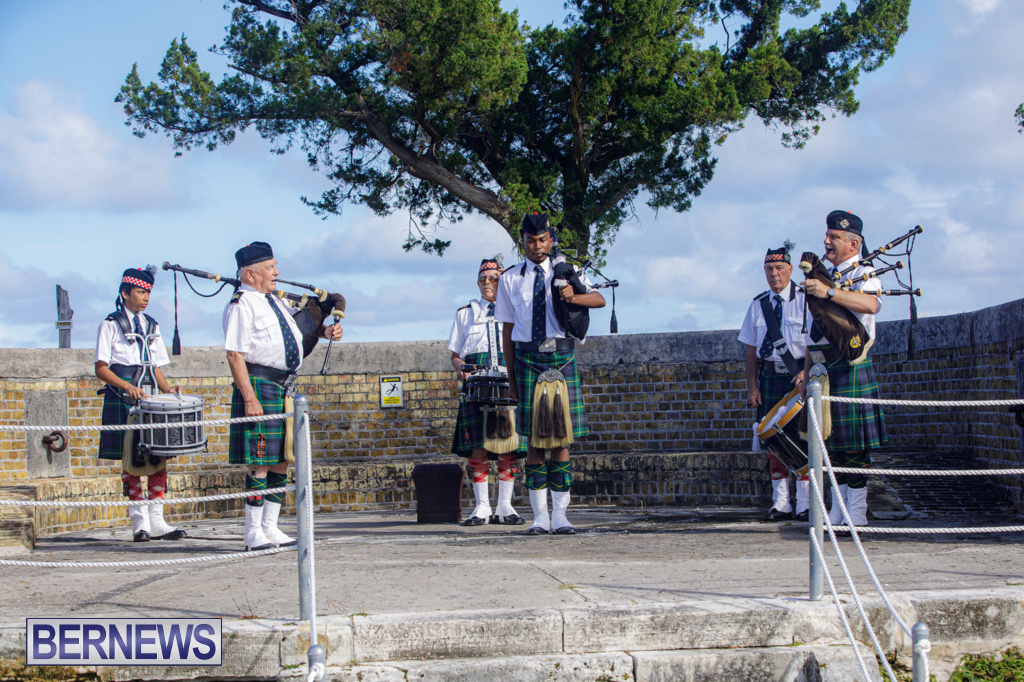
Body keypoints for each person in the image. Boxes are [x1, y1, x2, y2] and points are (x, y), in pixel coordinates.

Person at [224, 241, 343, 551]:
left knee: (280, 461)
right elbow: (235, 355)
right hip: (260, 384)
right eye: (270, 267)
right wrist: (249, 397)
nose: (276, 272)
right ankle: (252, 533)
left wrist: (326, 331)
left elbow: (299, 331)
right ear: (250, 273)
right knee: (260, 461)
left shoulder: (274, 302)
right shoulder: (242, 304)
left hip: (284, 386)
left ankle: (271, 527)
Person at [494, 213, 605, 535]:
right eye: (530, 241)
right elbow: (508, 329)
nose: (537, 246)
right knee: (534, 442)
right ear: (523, 243)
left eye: (542, 240)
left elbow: (597, 299)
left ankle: (561, 515)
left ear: (550, 239)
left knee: (561, 439)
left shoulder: (567, 271)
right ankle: (539, 516)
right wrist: (511, 379)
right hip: (527, 359)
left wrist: (573, 296)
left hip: (561, 356)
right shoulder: (511, 278)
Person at [802, 211, 887, 529]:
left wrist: (831, 293)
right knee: (830, 443)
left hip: (850, 364)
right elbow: (814, 330)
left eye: (834, 237)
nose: (826, 242)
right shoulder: (823, 275)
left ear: (854, 242)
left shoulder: (866, 273)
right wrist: (806, 373)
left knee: (854, 445)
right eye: (827, 236)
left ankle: (859, 511)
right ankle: (838, 510)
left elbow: (871, 305)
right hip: (821, 367)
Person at [95, 266, 186, 542]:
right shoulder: (110, 324)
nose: (145, 297)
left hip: (150, 397)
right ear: (125, 293)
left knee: (158, 455)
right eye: (140, 292)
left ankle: (157, 520)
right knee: (130, 459)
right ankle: (139, 522)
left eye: (148, 292)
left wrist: (168, 388)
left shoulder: (152, 325)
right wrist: (126, 386)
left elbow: (156, 366)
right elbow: (101, 368)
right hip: (123, 396)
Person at [448, 259, 528, 525]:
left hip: (508, 381)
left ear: (502, 281)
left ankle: (505, 507)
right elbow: (455, 355)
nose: (487, 283)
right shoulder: (464, 314)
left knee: (508, 445)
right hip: (476, 383)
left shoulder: (515, 310)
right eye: (483, 279)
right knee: (478, 446)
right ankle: (482, 507)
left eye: (493, 278)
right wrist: (462, 368)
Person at [738, 243, 811, 522]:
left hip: (798, 379)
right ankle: (781, 503)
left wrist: (806, 371)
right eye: (769, 269)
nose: (774, 274)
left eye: (779, 268)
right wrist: (752, 387)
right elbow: (749, 350)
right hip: (769, 377)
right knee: (772, 440)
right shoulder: (758, 305)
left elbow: (817, 343)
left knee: (802, 439)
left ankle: (804, 503)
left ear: (790, 270)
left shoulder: (805, 300)